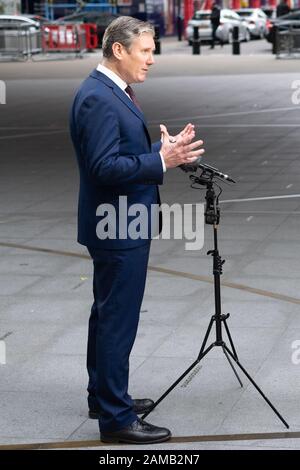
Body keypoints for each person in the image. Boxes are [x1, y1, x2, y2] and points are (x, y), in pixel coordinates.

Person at [69, 16, 204, 444]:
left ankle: (102, 395)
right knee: (117, 321)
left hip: (119, 223)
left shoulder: (111, 91)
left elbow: (119, 155)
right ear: (118, 50)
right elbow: (103, 168)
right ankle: (116, 418)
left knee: (106, 313)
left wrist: (158, 151)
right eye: (145, 51)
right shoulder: (99, 98)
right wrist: (162, 162)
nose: (152, 59)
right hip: (118, 227)